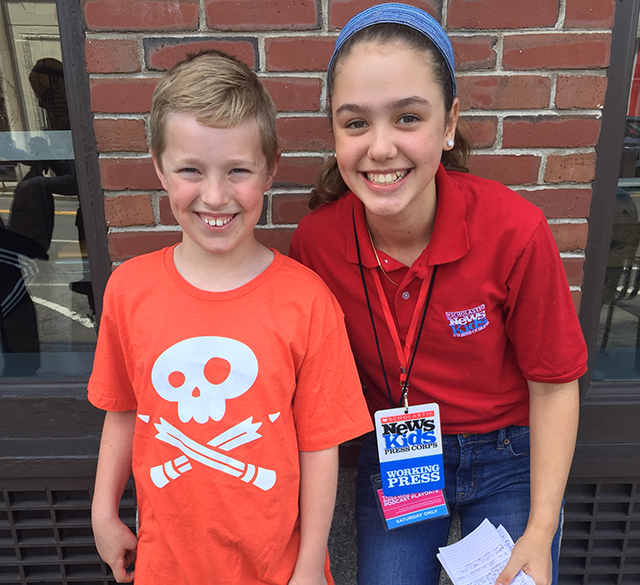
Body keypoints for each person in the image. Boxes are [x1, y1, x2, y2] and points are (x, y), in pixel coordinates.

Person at [290, 4, 587, 585]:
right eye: (355, 123)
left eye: (408, 118)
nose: (380, 148)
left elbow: (553, 387)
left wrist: (541, 527)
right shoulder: (316, 246)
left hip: (508, 455)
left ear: (449, 124)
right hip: (398, 454)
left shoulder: (514, 230)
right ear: (333, 131)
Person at [88, 50, 372, 585]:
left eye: (237, 170)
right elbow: (122, 408)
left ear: (270, 170)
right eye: (191, 170)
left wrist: (312, 561)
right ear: (159, 168)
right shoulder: (129, 290)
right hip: (165, 564)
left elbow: (319, 446)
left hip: (277, 567)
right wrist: (104, 510)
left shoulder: (306, 300)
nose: (214, 196)